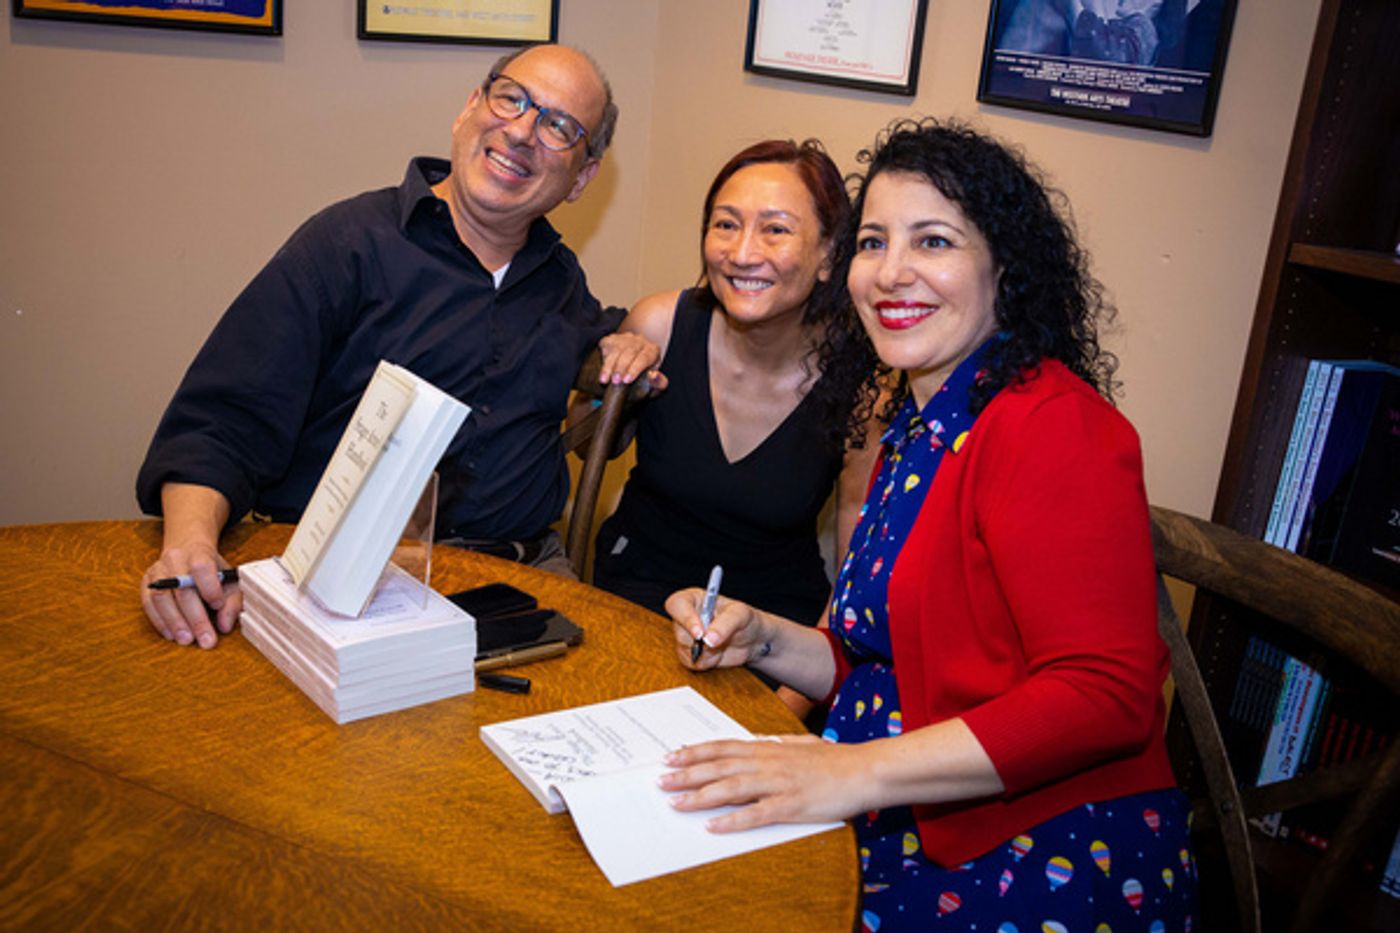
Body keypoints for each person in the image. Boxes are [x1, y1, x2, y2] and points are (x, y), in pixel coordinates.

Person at [659, 119, 1197, 931]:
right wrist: (761, 638)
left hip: (1033, 844)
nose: (893, 272)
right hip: (902, 797)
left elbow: (1106, 695)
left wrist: (854, 773)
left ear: (1004, 271)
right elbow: (884, 662)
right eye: (873, 242)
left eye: (934, 241)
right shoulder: (921, 421)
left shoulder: (1051, 423)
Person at [137, 44, 658, 650]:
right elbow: (221, 422)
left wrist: (636, 340)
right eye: (511, 99)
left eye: (559, 127)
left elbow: (616, 336)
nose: (521, 132)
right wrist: (191, 542)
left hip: (523, 586)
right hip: (335, 580)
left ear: (582, 177)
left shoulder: (559, 281)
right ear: (470, 107)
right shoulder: (347, 244)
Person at [590, 139, 881, 629]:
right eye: (726, 224)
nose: (743, 253)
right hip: (634, 604)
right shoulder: (660, 322)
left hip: (775, 632)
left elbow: (855, 572)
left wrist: (792, 704)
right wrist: (610, 380)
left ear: (830, 255)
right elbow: (595, 444)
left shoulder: (863, 385)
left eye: (775, 230)